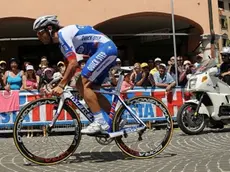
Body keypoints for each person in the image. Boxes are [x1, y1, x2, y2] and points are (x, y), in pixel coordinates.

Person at [33, 15, 117, 134]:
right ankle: (116, 120)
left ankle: (100, 122)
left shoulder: (63, 34)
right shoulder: (62, 44)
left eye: (40, 32)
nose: (38, 36)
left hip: (105, 49)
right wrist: (59, 81)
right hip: (106, 50)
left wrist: (62, 86)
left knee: (82, 84)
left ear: (50, 28)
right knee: (92, 90)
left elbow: (73, 64)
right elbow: (71, 66)